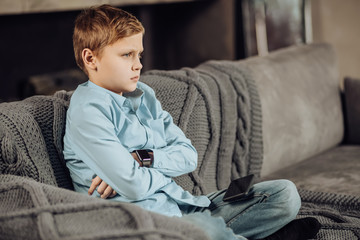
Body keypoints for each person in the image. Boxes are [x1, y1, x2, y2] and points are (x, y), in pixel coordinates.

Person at [63, 4, 321, 240]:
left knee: (284, 194)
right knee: (205, 230)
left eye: (139, 55)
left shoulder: (146, 95)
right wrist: (137, 172)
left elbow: (188, 156)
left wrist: (141, 158)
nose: (138, 65)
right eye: (126, 55)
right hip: (144, 223)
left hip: (184, 205)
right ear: (90, 59)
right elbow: (132, 185)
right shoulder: (88, 110)